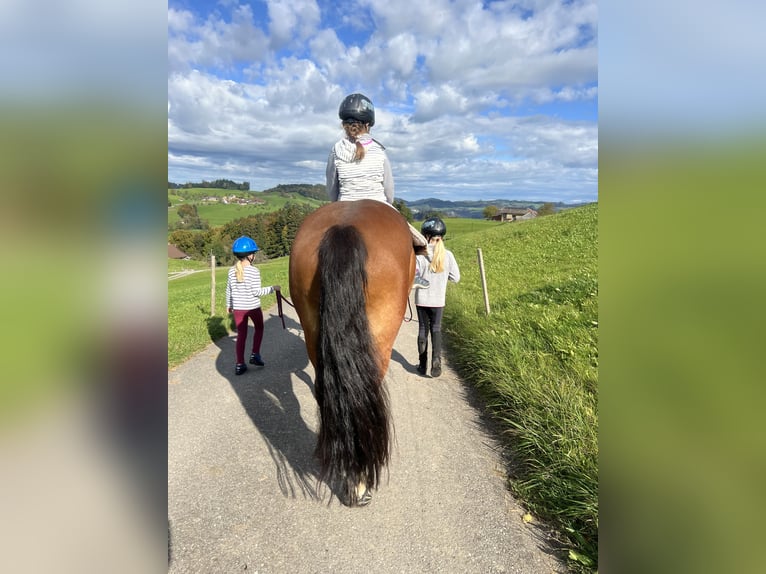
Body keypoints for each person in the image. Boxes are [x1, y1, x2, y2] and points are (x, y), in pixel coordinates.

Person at [326, 92, 429, 289]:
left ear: (344, 124)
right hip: (378, 203)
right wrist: (387, 206)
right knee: (412, 240)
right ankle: (414, 273)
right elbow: (389, 190)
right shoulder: (378, 150)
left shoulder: (335, 150)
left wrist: (336, 205)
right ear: (368, 124)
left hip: (343, 204)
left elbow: (331, 186)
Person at [226, 236, 281, 376]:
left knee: (241, 336)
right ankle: (255, 354)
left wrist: (229, 304)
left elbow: (229, 290)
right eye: (253, 253)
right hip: (253, 307)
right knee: (259, 328)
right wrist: (272, 288)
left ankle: (239, 364)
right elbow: (257, 292)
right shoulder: (254, 271)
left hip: (238, 309)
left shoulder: (232, 271)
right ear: (250, 255)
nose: (254, 255)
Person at [414, 217, 460, 377]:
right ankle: (436, 362)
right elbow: (456, 278)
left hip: (422, 300)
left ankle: (422, 365)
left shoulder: (419, 256)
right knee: (436, 329)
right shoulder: (448, 255)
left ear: (426, 236)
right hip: (438, 300)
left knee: (422, 329)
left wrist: (423, 281)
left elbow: (414, 278)